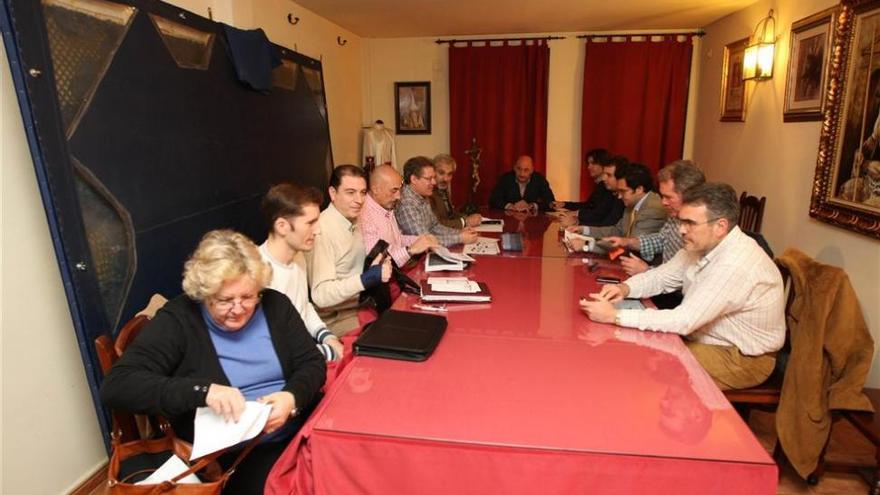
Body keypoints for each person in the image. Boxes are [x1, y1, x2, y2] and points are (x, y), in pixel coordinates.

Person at [100, 229, 326, 494]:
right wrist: (203, 391)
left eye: (248, 297)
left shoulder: (275, 305)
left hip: (299, 428)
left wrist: (292, 398)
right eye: (225, 300)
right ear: (203, 293)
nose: (240, 308)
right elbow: (117, 385)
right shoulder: (179, 320)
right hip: (237, 454)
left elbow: (312, 362)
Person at [580, 183, 785, 390]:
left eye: (690, 223)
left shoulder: (735, 263)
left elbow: (684, 320)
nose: (681, 230)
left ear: (720, 227)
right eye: (681, 221)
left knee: (648, 366)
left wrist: (614, 316)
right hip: (710, 340)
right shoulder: (704, 244)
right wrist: (624, 288)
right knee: (638, 351)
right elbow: (661, 276)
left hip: (742, 357)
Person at [259, 182, 344, 361]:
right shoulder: (258, 273)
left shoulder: (298, 257)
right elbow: (273, 350)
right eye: (310, 223)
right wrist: (329, 352)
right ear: (282, 226)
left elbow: (303, 306)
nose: (318, 230)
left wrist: (328, 337)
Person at [307, 165, 391, 336]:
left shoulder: (353, 217)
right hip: (336, 319)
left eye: (362, 192)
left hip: (360, 304)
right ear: (333, 193)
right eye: (350, 192)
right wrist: (366, 279)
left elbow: (348, 268)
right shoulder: (323, 230)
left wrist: (372, 265)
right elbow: (321, 296)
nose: (359, 200)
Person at [603, 160, 706, 276]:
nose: (663, 202)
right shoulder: (675, 216)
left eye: (668, 197)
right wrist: (627, 242)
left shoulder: (704, 228)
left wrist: (647, 270)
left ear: (689, 194)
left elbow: (686, 278)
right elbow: (662, 240)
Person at [566, 163, 666, 253]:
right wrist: (584, 230)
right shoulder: (633, 202)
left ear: (639, 189)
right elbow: (617, 231)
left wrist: (587, 245)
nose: (619, 196)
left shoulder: (653, 209)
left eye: (623, 191)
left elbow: (631, 246)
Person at [360, 164, 438, 267]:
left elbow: (396, 240)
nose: (398, 196)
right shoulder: (363, 214)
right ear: (375, 189)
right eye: (394, 190)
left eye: (399, 190)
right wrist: (410, 250)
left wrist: (420, 240)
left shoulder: (384, 205)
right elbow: (378, 262)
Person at [396, 156, 479, 247]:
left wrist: (459, 232)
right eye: (429, 179)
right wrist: (460, 238)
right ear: (414, 179)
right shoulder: (406, 203)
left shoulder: (423, 195)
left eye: (434, 178)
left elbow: (435, 226)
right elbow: (424, 240)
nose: (434, 182)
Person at [551, 148, 620, 226]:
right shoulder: (602, 185)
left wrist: (576, 219)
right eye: (588, 163)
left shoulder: (609, 188)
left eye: (593, 163)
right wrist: (564, 204)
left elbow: (600, 215)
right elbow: (588, 205)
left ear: (603, 165)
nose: (588, 167)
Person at [431, 154, 482, 228]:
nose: (446, 179)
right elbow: (437, 224)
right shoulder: (428, 193)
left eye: (450, 174)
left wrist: (468, 217)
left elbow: (450, 214)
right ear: (433, 172)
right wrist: (465, 222)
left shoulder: (443, 189)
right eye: (441, 173)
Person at [488, 155, 556, 211]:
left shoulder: (539, 179)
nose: (522, 173)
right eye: (519, 169)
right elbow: (493, 200)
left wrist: (532, 205)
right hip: (510, 221)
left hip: (532, 222)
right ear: (514, 168)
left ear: (532, 170)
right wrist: (509, 206)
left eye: (526, 170)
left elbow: (551, 202)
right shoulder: (506, 178)